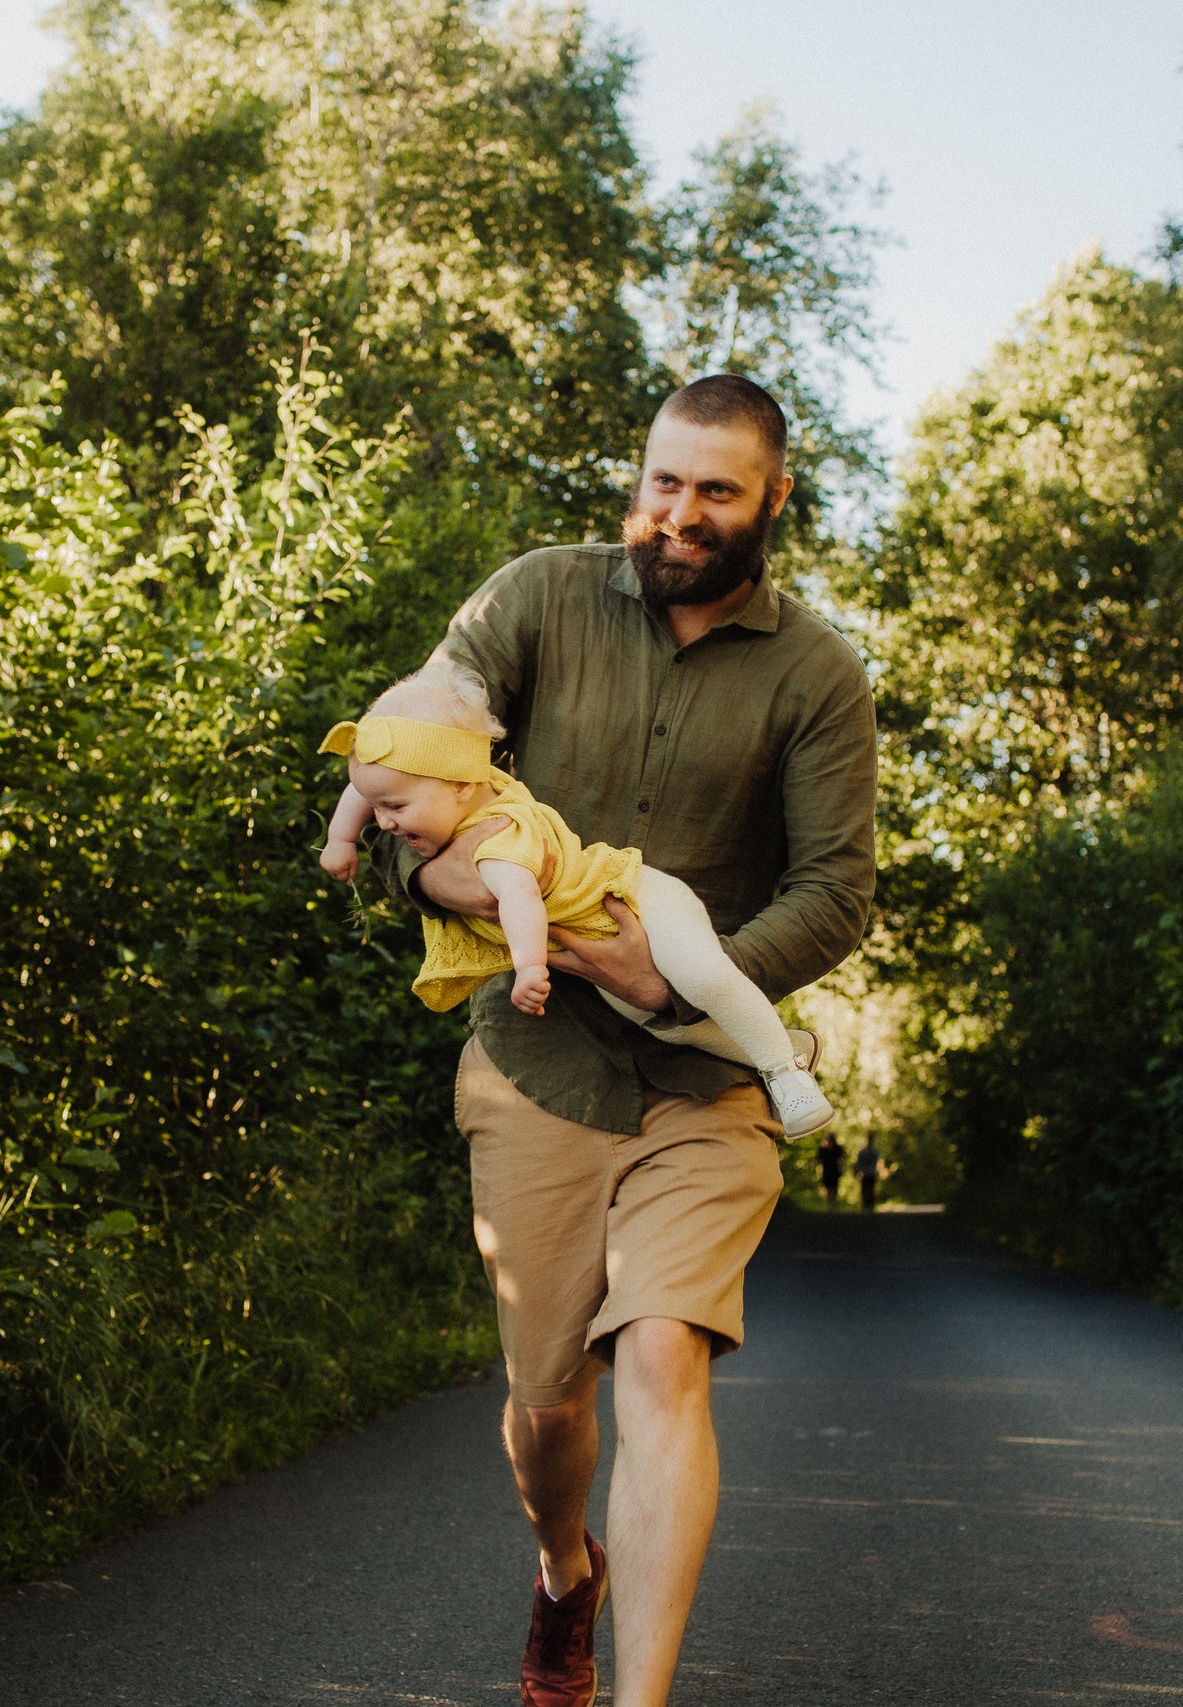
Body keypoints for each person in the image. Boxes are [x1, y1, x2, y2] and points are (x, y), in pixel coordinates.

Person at [359, 375, 875, 1707]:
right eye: (662, 481)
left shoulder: (818, 673)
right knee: (547, 1410)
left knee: (660, 1354)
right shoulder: (532, 595)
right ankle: (561, 1566)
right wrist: (429, 878)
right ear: (634, 477)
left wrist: (680, 973)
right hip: (534, 1068)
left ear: (774, 502)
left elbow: (834, 890)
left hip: (705, 1079)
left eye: (716, 490)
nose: (680, 513)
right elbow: (419, 746)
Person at [317, 658, 834, 1135]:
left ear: (458, 784)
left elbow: (517, 898)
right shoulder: (454, 783)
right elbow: (363, 788)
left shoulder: (498, 840)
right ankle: (785, 1046)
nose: (382, 822)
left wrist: (528, 968)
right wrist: (341, 840)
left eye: (396, 807)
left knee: (702, 976)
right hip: (599, 942)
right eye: (378, 805)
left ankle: (785, 1075)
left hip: (637, 897)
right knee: (665, 1021)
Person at [816, 1132, 845, 1209]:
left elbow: (842, 1158)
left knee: (834, 1188)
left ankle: (834, 1205)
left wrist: (841, 1168)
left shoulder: (837, 1148)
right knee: (828, 1188)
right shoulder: (823, 1149)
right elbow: (818, 1158)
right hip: (827, 1171)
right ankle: (829, 1205)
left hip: (834, 1171)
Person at [853, 1139, 882, 1212]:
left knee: (869, 1190)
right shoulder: (865, 1152)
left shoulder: (873, 1151)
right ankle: (867, 1206)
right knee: (866, 1190)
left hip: (869, 1173)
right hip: (866, 1174)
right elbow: (859, 1162)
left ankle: (869, 1206)